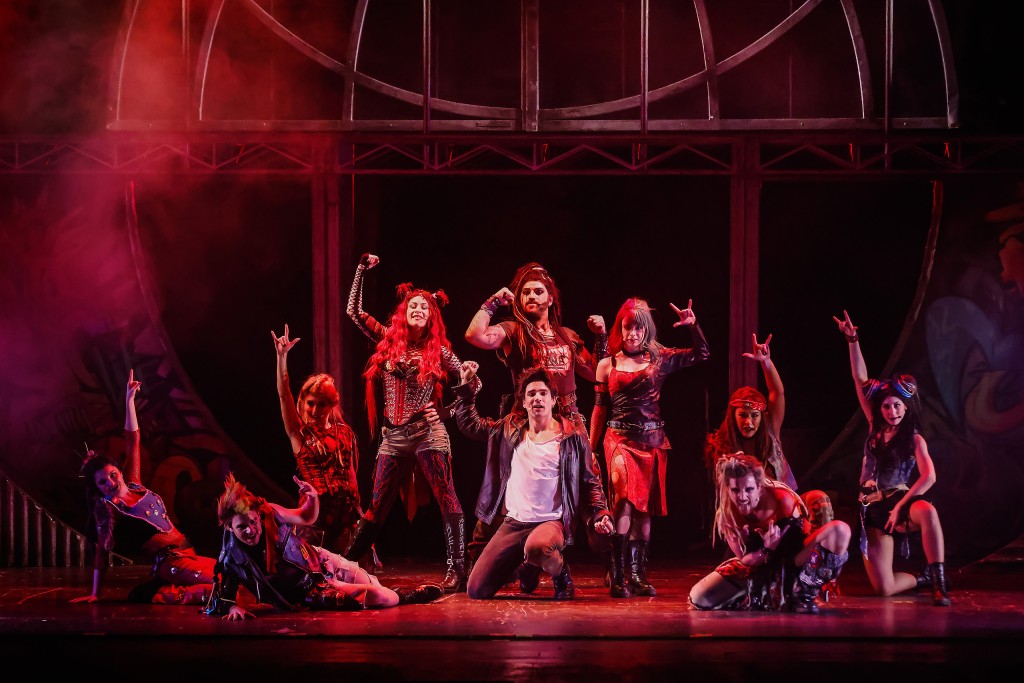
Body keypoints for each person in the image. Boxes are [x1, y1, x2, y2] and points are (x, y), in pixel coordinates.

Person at [464, 261, 609, 583]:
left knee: (590, 485)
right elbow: (475, 335)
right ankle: (481, 559)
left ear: (550, 298)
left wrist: (601, 336)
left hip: (568, 420)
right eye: (525, 292)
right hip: (525, 421)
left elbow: (597, 371)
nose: (531, 296)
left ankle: (613, 564)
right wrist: (492, 302)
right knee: (503, 484)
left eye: (538, 291)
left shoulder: (567, 336)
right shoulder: (513, 330)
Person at [345, 253, 467, 592]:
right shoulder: (387, 340)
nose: (418, 309)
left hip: (428, 433)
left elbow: (474, 384)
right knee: (377, 505)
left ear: (432, 316)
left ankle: (457, 570)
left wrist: (448, 411)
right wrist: (361, 270)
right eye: (413, 305)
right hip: (393, 435)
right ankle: (345, 564)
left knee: (447, 497)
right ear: (403, 312)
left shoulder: (439, 351)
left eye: (424, 307)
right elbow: (353, 311)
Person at [453, 363, 614, 600]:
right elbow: (471, 425)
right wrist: (466, 387)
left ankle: (561, 574)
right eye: (531, 394)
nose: (537, 398)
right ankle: (526, 566)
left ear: (553, 400)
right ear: (524, 401)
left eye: (543, 393)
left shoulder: (572, 437)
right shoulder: (509, 429)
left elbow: (590, 483)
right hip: (514, 523)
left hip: (549, 522)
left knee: (538, 547)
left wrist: (600, 514)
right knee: (477, 589)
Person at [589, 297, 710, 598]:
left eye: (638, 329)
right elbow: (599, 409)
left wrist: (693, 326)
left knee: (643, 509)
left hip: (652, 442)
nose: (632, 334)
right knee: (623, 500)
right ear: (620, 329)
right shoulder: (607, 364)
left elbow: (702, 354)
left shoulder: (660, 359)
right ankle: (618, 574)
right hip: (618, 439)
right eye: (627, 328)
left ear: (647, 330)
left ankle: (637, 574)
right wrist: (590, 448)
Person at [833, 309, 951, 606]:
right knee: (884, 588)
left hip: (900, 500)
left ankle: (939, 583)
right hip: (871, 507)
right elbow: (860, 379)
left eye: (897, 406)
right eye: (886, 406)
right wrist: (852, 340)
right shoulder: (874, 425)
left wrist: (899, 506)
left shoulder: (914, 438)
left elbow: (929, 476)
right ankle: (922, 578)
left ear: (906, 407)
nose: (892, 411)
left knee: (928, 512)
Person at [204, 473, 443, 620]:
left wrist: (312, 498)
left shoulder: (270, 512)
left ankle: (403, 596)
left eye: (253, 522)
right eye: (241, 527)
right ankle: (407, 596)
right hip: (311, 591)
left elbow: (306, 517)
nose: (250, 530)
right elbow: (224, 597)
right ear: (229, 528)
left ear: (258, 515)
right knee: (379, 596)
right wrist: (232, 608)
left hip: (321, 560)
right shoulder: (231, 557)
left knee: (373, 584)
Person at [71, 370, 215, 605]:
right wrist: (96, 593)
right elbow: (101, 553)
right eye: (103, 482)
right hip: (171, 562)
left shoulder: (135, 483)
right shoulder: (111, 511)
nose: (111, 483)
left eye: (113, 475)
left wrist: (129, 400)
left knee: (235, 575)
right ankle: (163, 593)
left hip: (188, 553)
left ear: (119, 471)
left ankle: (159, 588)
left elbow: (133, 440)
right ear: (98, 489)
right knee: (223, 585)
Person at [688, 453, 851, 614]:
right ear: (727, 489)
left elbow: (795, 553)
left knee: (840, 529)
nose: (742, 497)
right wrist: (765, 549)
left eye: (749, 489)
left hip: (792, 562)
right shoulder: (727, 515)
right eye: (735, 490)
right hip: (758, 567)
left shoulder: (782, 500)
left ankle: (802, 595)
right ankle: (756, 597)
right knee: (699, 598)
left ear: (760, 487)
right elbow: (744, 560)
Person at [271, 324, 361, 555]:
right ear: (303, 402)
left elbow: (351, 474)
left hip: (345, 517)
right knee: (313, 569)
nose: (315, 410)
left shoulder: (345, 433)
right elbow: (284, 394)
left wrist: (359, 512)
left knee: (348, 571)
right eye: (311, 403)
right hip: (315, 519)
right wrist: (282, 357)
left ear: (331, 405)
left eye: (322, 404)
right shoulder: (299, 433)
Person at [704, 333, 798, 490]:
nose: (748, 422)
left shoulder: (770, 429)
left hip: (779, 500)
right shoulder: (723, 444)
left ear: (762, 416)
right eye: (742, 415)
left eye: (754, 415)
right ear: (733, 416)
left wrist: (766, 362)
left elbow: (777, 393)